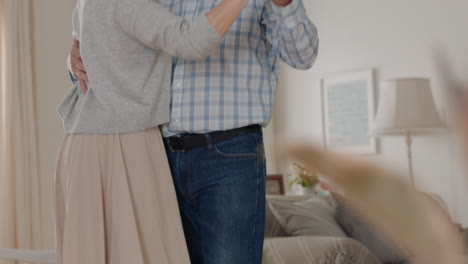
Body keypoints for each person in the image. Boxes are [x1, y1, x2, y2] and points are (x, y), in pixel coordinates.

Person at [69, 0, 319, 262]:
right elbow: (114, 48)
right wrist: (74, 59)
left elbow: (303, 55)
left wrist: (285, 5)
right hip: (154, 156)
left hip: (228, 157)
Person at [55, 0, 253, 263]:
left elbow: (89, 55)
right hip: (120, 144)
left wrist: (71, 61)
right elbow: (190, 41)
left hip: (92, 143)